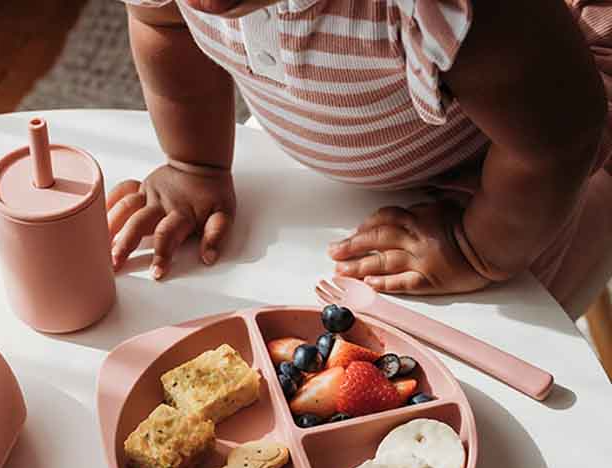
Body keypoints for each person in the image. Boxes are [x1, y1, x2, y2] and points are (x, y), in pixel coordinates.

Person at [108, 0, 612, 311]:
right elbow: (165, 25)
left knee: (494, 357)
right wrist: (194, 164)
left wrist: (475, 248)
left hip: (521, 175)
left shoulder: (455, 9)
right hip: (339, 122)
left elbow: (559, 143)